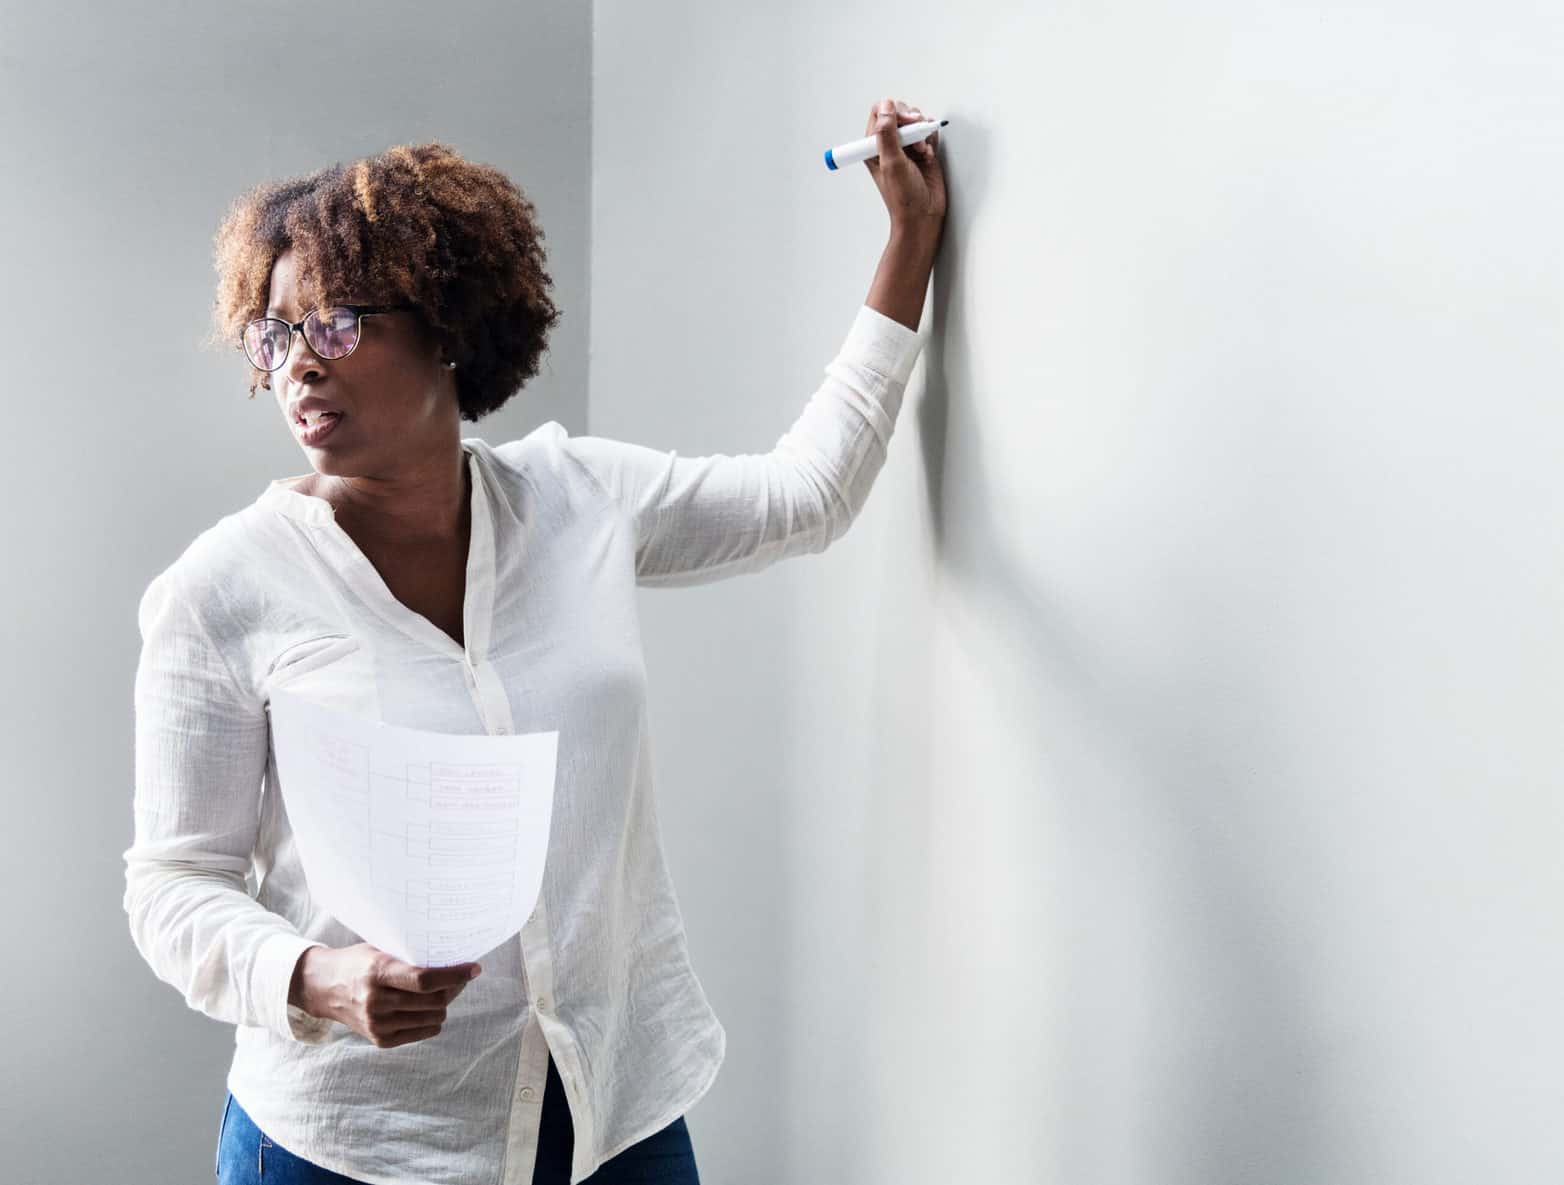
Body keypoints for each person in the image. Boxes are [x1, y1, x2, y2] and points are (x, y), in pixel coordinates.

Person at [124, 97, 945, 1185]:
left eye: (336, 321)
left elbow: (806, 498)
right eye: (275, 335)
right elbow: (172, 884)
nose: (298, 366)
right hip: (358, 1145)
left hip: (615, 1114)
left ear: (448, 326)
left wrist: (908, 245)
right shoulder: (222, 590)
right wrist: (316, 976)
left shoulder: (579, 497)